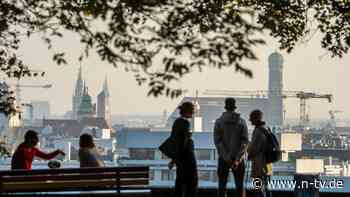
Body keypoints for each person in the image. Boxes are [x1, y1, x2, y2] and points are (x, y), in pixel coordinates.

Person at [214, 97, 248, 197]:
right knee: (240, 186)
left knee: (222, 186)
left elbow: (217, 142)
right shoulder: (242, 122)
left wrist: (227, 157)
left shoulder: (219, 122)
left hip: (223, 159)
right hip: (238, 159)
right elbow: (245, 142)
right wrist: (237, 159)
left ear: (225, 107)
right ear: (234, 107)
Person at [168, 102, 198, 197]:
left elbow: (174, 140)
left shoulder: (176, 122)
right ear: (188, 111)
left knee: (180, 182)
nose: (193, 114)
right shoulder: (185, 123)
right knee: (191, 184)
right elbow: (183, 143)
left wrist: (174, 159)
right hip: (188, 158)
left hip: (180, 159)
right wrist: (188, 137)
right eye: (192, 111)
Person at [247, 110, 269, 197]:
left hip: (258, 166)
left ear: (255, 119)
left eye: (251, 118)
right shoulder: (265, 129)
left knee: (258, 189)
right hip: (265, 165)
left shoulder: (258, 131)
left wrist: (247, 144)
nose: (250, 120)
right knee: (263, 189)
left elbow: (253, 149)